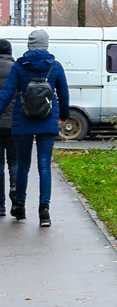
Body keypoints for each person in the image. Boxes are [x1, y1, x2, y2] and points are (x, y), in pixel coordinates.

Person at [0, 29, 70, 226]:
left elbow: (6, 94)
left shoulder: (19, 67)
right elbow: (64, 95)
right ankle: (44, 211)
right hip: (48, 120)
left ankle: (20, 206)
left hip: (23, 120)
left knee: (23, 166)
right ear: (46, 45)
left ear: (29, 45)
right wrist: (63, 115)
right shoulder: (55, 67)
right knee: (44, 165)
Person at [0, 40, 13, 216]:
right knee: (15, 163)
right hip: (13, 125)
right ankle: (17, 203)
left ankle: (0, 206)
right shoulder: (16, 68)